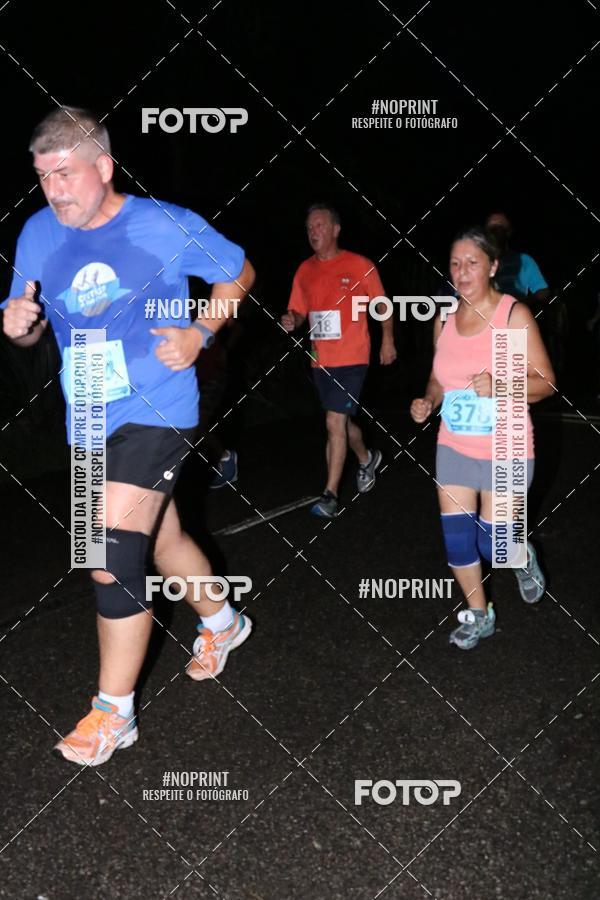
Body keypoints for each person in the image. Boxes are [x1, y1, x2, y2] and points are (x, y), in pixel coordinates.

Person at [1, 107, 255, 765]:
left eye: (65, 174)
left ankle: (114, 712)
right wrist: (18, 322)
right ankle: (224, 623)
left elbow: (239, 272)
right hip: (87, 415)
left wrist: (199, 332)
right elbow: (29, 326)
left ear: (104, 167)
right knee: (157, 537)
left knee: (111, 549)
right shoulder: (36, 235)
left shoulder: (161, 224)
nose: (54, 190)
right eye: (43, 177)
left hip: (158, 406)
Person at [410, 227, 555, 650]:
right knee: (456, 537)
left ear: (492, 266)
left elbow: (545, 383)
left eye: (472, 262)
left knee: (495, 543)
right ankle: (479, 613)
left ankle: (521, 555)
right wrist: (428, 399)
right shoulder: (444, 317)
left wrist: (501, 384)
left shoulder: (511, 316)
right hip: (454, 442)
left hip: (506, 444)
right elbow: (440, 376)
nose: (462, 271)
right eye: (455, 263)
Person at [281, 204, 397, 518]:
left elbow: (383, 306)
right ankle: (367, 458)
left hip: (353, 357)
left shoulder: (360, 265)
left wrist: (387, 340)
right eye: (308, 227)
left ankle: (330, 495)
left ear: (335, 229)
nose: (313, 232)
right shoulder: (304, 270)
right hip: (321, 360)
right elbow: (299, 311)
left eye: (319, 225)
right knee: (341, 421)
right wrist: (292, 319)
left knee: (334, 422)